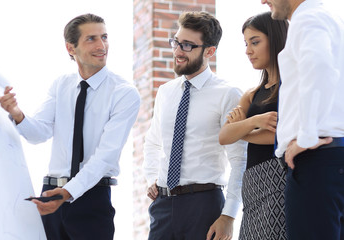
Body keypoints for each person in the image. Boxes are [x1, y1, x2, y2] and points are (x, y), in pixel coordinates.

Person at [0, 13, 140, 240]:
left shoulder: (124, 93)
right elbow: (39, 133)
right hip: (50, 194)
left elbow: (106, 156)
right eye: (92, 39)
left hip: (91, 198)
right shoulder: (61, 85)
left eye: (104, 37)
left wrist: (68, 193)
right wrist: (16, 114)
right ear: (71, 48)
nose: (102, 45)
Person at [143, 11, 247, 240]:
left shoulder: (228, 94)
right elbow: (152, 142)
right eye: (176, 42)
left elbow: (239, 160)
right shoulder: (165, 92)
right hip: (163, 206)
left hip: (204, 206)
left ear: (209, 51)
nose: (178, 51)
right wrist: (152, 177)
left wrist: (228, 216)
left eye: (188, 45)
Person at [260, 0, 344, 239]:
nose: (263, 1)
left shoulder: (307, 18)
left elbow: (319, 66)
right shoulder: (334, 20)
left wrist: (307, 136)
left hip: (317, 162)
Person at [218, 12, 288, 239]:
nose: (248, 50)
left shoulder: (291, 87)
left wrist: (243, 129)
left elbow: (281, 136)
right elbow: (225, 135)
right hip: (252, 185)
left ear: (276, 39)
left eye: (255, 42)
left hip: (280, 177)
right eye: (246, 44)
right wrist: (256, 122)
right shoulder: (251, 93)